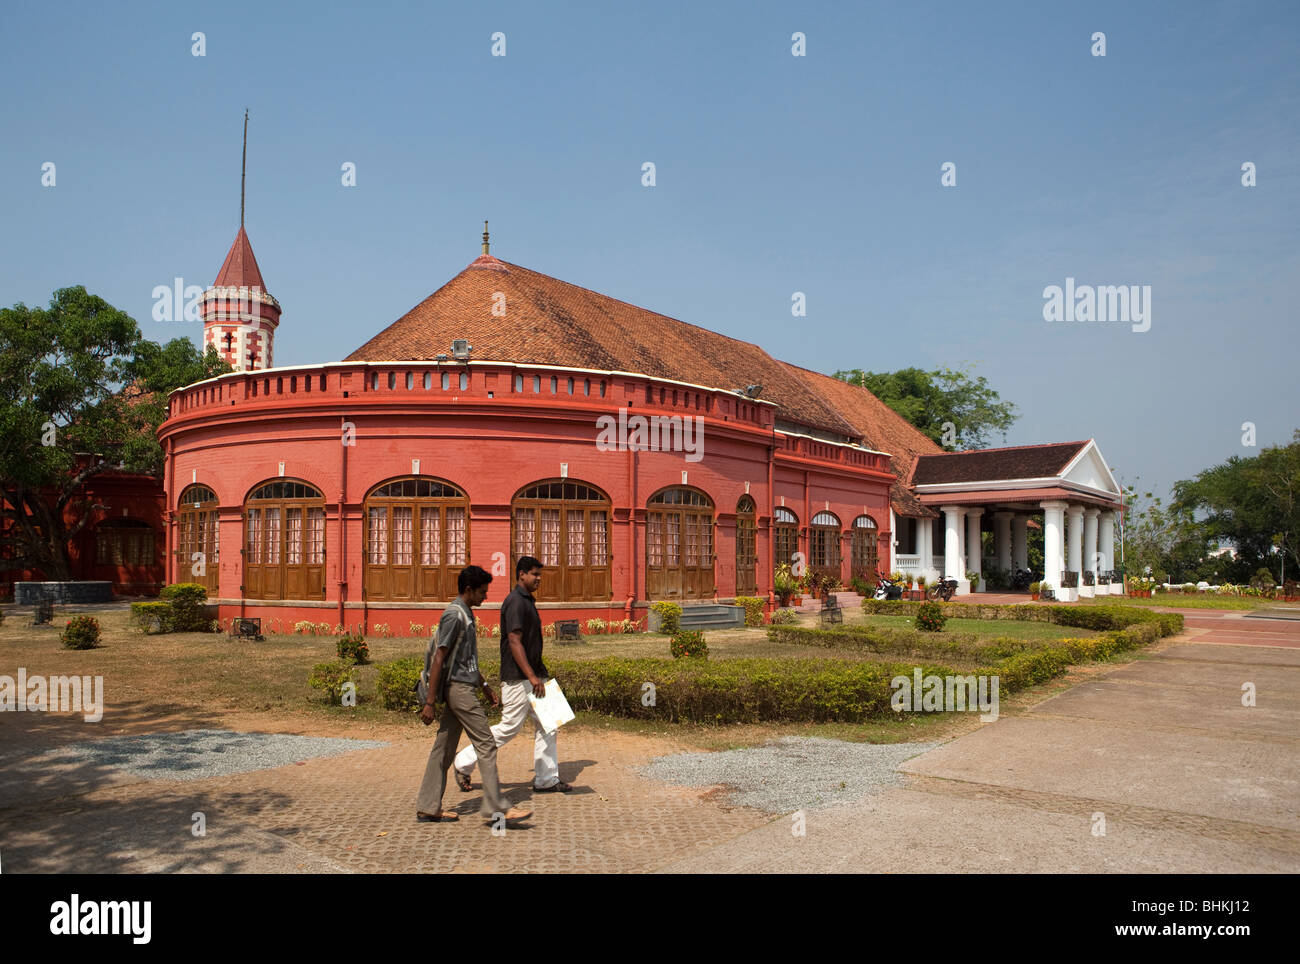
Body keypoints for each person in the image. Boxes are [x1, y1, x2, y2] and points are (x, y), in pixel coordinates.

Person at [416, 565, 532, 825]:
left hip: (464, 686)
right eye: (481, 592)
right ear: (468, 590)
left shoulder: (466, 614)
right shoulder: (454, 615)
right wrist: (429, 702)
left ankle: (428, 806)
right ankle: (496, 809)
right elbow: (440, 657)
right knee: (486, 744)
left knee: (443, 750)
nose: (485, 597)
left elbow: (464, 660)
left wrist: (485, 686)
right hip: (458, 690)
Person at [453, 555, 572, 793]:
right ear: (521, 574)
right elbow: (514, 641)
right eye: (535, 574)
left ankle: (546, 779)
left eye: (540, 575)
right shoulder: (516, 602)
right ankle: (462, 762)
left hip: (536, 675)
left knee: (550, 725)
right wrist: (531, 677)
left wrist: (538, 676)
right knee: (509, 727)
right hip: (520, 678)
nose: (539, 579)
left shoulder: (527, 600)